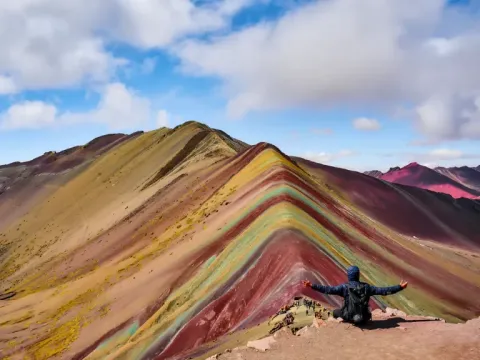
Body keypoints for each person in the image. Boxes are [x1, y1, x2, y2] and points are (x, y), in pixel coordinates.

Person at [302, 265, 408, 325]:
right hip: (364, 317)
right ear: (358, 275)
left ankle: (347, 320)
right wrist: (399, 287)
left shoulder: (344, 287)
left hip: (349, 316)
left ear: (349, 276)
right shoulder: (367, 287)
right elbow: (384, 290)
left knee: (335, 312)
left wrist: (311, 285)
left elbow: (327, 290)